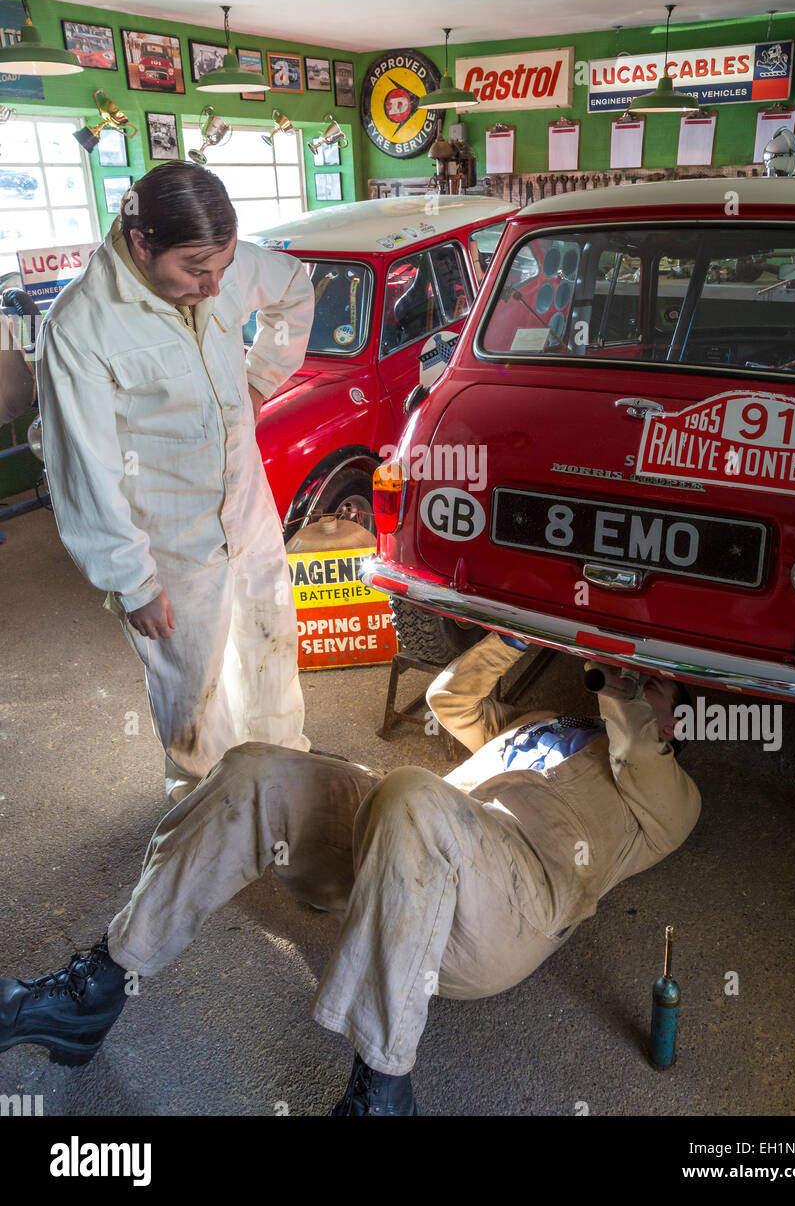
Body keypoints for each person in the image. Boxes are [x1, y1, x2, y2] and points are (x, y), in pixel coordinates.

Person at [0, 635, 701, 1116]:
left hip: (504, 908)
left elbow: (639, 743)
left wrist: (625, 675)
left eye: (655, 697)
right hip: (402, 859)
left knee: (412, 791)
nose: (640, 700)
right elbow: (452, 700)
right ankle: (97, 986)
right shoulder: (538, 723)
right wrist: (517, 633)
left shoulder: (667, 801)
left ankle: (383, 1086)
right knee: (254, 768)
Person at [36, 162, 315, 802]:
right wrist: (131, 580)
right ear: (141, 244)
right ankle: (203, 805)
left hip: (246, 512)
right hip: (171, 543)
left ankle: (282, 781)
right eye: (195, 270)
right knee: (193, 684)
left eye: (222, 266)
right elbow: (85, 469)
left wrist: (259, 378)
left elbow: (295, 287)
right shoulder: (82, 325)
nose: (215, 286)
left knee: (270, 651)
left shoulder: (218, 260)